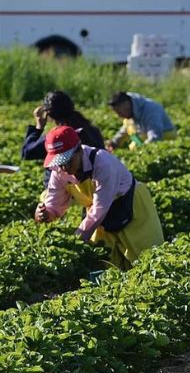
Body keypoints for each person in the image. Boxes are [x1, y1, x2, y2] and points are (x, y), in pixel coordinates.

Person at [34, 125, 164, 270]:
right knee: (105, 262)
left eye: (68, 161)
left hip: (131, 204)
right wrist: (45, 213)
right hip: (98, 216)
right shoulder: (58, 172)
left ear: (79, 150)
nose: (64, 168)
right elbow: (54, 204)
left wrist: (76, 240)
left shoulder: (103, 163)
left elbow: (99, 209)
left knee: (147, 260)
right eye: (59, 163)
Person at [22, 91, 106, 186]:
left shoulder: (59, 138)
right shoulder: (92, 130)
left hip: (67, 189)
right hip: (96, 184)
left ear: (48, 114)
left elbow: (27, 152)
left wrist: (39, 127)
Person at [106, 91, 176, 150]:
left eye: (119, 112)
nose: (119, 116)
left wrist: (141, 153)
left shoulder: (152, 110)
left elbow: (155, 136)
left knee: (136, 147)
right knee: (133, 146)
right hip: (146, 138)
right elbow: (124, 130)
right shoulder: (130, 113)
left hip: (165, 142)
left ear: (127, 105)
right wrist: (113, 143)